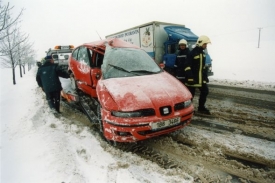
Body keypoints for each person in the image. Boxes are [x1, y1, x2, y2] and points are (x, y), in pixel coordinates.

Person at [184, 35, 211, 115]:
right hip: (192, 79)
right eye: (205, 44)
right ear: (200, 43)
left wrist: (205, 77)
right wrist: (190, 77)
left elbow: (203, 67)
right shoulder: (192, 53)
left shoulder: (202, 54)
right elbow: (187, 66)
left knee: (205, 91)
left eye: (206, 44)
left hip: (200, 79)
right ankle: (189, 109)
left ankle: (201, 107)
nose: (206, 46)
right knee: (191, 95)